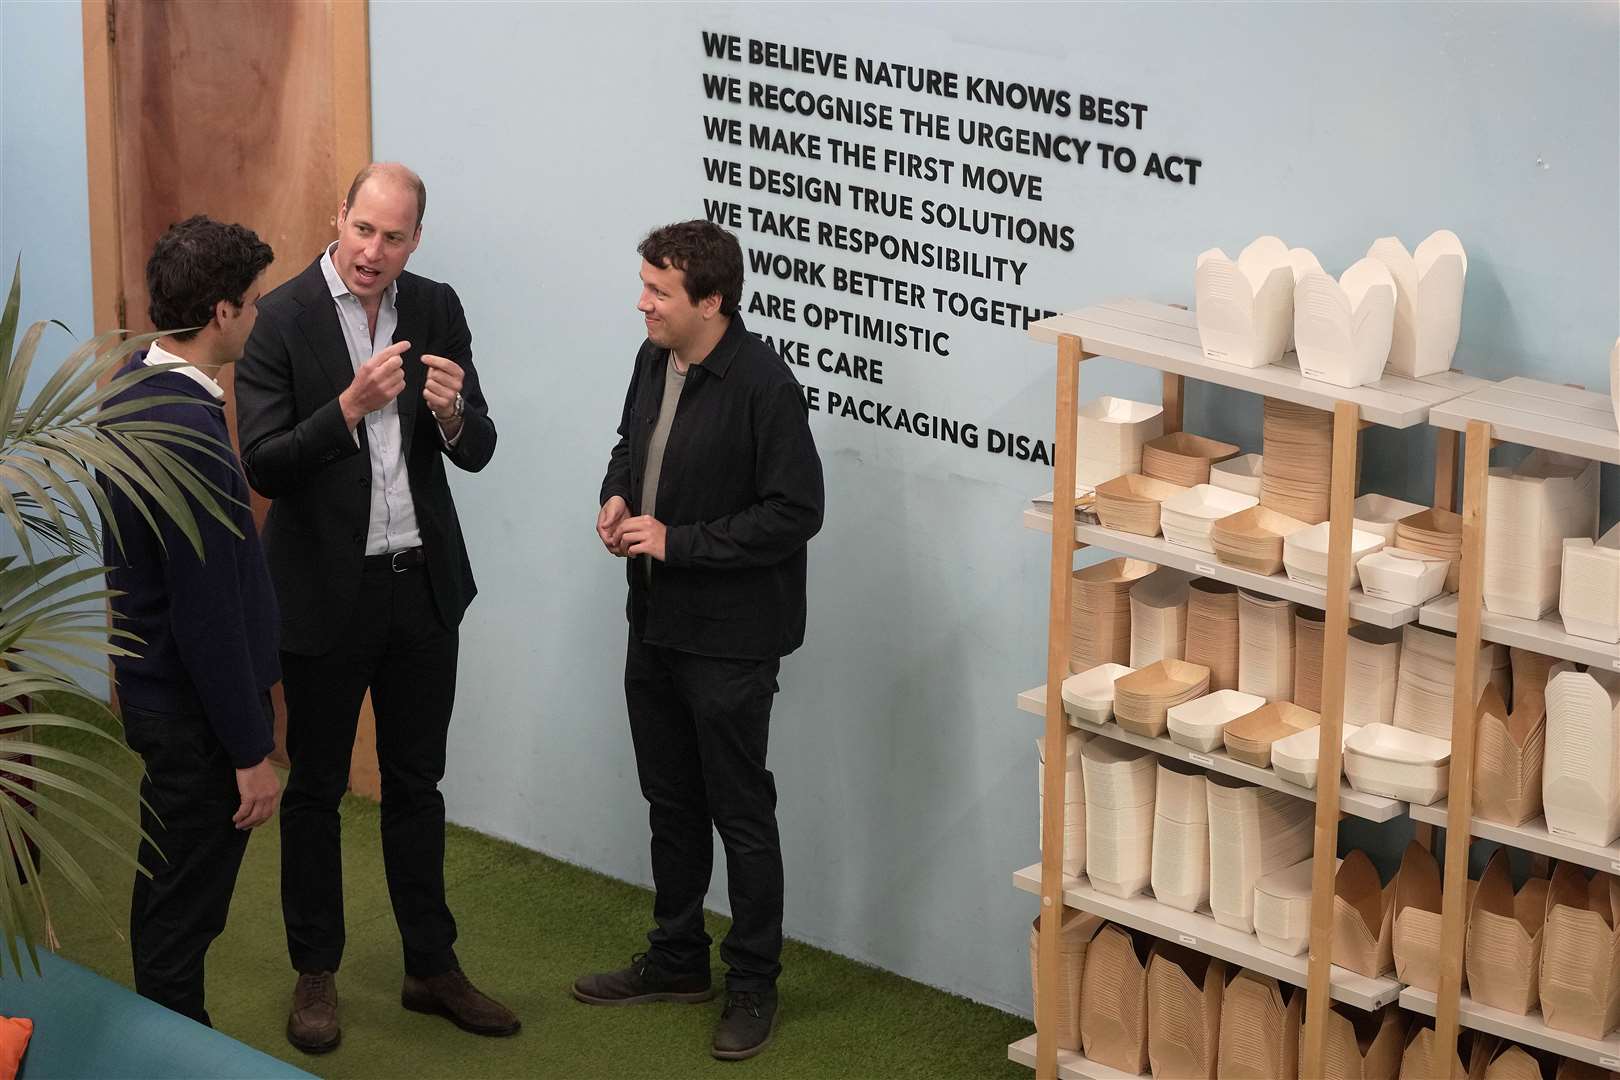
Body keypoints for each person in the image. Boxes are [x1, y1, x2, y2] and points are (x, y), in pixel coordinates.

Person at [235, 163, 515, 1053]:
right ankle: (314, 973)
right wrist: (348, 409)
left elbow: (479, 451)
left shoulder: (436, 306)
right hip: (324, 596)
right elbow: (265, 465)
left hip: (422, 588)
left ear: (415, 241)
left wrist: (454, 415)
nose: (373, 251)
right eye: (363, 230)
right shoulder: (280, 318)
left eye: (394, 237)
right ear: (339, 218)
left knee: (417, 784)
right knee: (316, 790)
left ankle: (431, 967)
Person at [575, 220, 824, 1061]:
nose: (641, 302)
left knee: (740, 812)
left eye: (659, 291)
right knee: (671, 800)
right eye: (644, 284)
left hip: (731, 643)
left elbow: (797, 513)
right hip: (653, 626)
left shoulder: (765, 385)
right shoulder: (654, 357)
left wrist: (679, 542)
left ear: (711, 302)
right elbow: (628, 449)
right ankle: (678, 958)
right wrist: (617, 501)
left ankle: (752, 982)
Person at [103, 215, 281, 1027]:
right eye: (251, 301)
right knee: (183, 913)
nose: (257, 313)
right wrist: (250, 753)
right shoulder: (190, 437)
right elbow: (208, 617)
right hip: (193, 717)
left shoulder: (134, 385)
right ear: (219, 313)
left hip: (153, 697)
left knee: (166, 888)